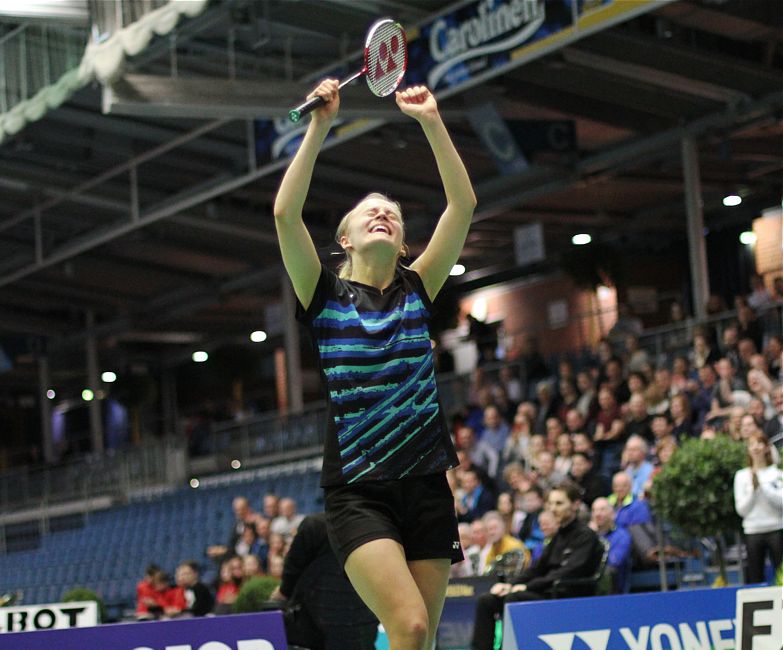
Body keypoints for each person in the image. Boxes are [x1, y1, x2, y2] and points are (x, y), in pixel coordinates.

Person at [273, 79, 476, 650]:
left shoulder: (418, 288)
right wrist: (319, 126)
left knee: (421, 639)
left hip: (427, 483)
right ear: (345, 239)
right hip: (360, 491)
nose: (383, 214)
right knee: (408, 624)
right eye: (369, 212)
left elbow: (462, 206)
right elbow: (286, 215)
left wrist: (431, 122)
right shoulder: (323, 295)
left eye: (392, 212)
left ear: (405, 241)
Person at [470, 482, 601, 650]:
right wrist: (511, 584)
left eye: (559, 503)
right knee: (486, 600)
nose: (553, 509)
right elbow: (537, 568)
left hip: (565, 596)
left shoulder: (586, 536)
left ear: (575, 505)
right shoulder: (557, 537)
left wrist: (525, 587)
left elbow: (567, 572)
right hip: (545, 591)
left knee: (513, 600)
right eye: (551, 503)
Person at [269, 513, 378, 650]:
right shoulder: (380, 527)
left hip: (320, 627)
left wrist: (282, 593)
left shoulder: (315, 524)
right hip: (363, 624)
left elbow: (293, 568)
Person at [733, 432, 783, 584]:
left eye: (759, 443)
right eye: (751, 444)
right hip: (753, 531)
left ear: (767, 447)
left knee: (781, 572)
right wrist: (753, 490)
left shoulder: (777, 473)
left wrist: (763, 487)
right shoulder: (741, 476)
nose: (756, 448)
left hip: (777, 529)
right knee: (755, 576)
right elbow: (741, 510)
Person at [589, 498, 632, 594]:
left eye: (602, 510)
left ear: (613, 514)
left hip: (615, 588)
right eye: (594, 510)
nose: (597, 514)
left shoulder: (622, 535)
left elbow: (614, 562)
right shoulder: (588, 536)